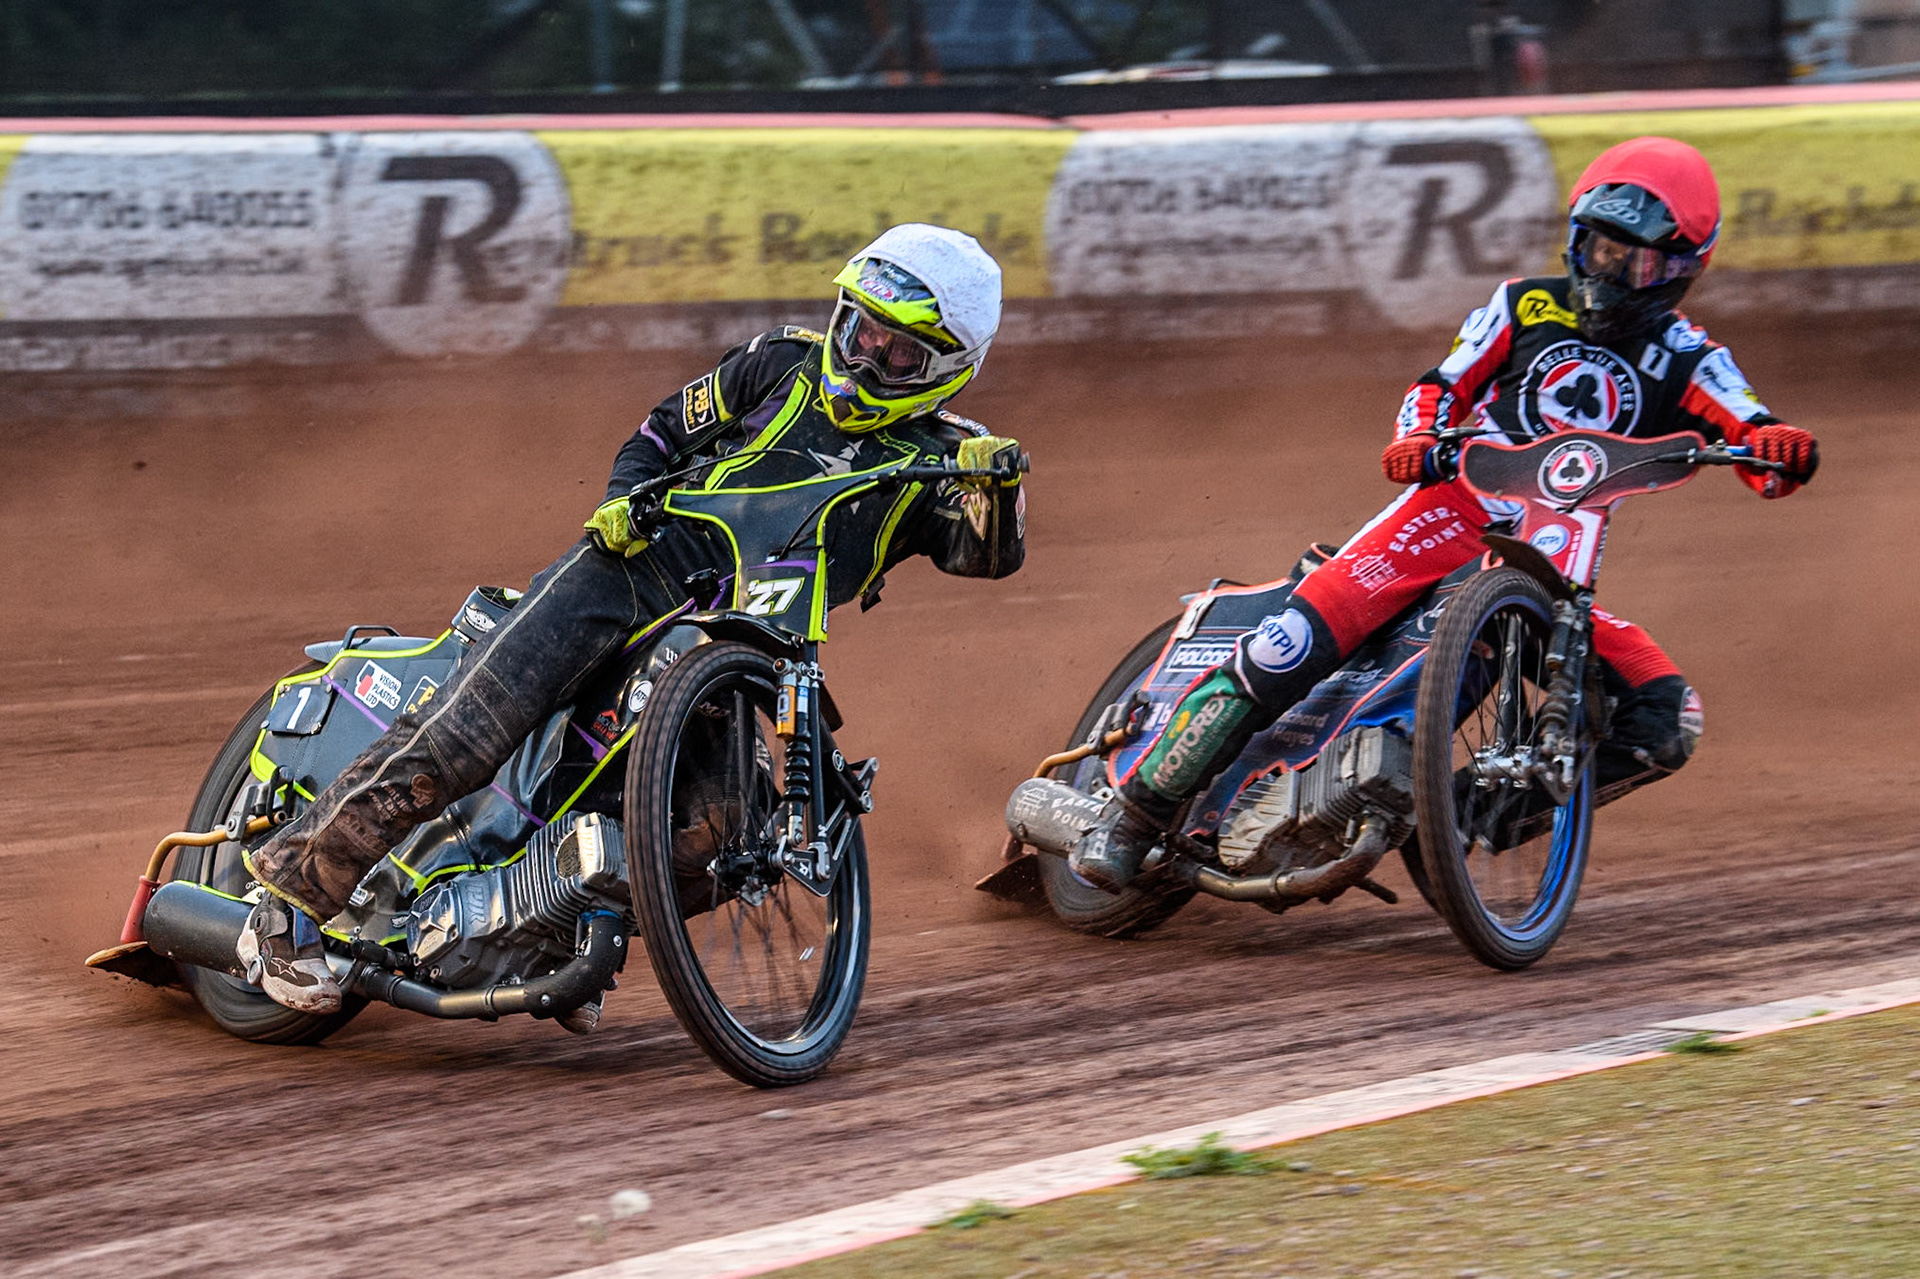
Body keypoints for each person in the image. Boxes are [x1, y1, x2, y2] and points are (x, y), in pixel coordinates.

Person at [238, 223, 1029, 1014]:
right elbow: (662, 430)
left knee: (722, 839)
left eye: (896, 354)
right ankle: (287, 907)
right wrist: (622, 497)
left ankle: (557, 924)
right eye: (860, 332)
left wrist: (1000, 488)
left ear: (948, 368)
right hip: (629, 572)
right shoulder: (779, 361)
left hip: (744, 647)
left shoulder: (943, 458)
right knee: (465, 735)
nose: (864, 360)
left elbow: (988, 556)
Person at [1071, 135, 1820, 892]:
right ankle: (1131, 814)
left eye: (1639, 262)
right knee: (1288, 644)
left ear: (1685, 270)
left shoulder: (1691, 355)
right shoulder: (1520, 303)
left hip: (1550, 573)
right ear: (1574, 239)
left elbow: (1754, 435)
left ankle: (1454, 822)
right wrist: (1417, 438)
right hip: (1446, 513)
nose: (1611, 273)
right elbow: (1441, 383)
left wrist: (1779, 449)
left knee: (1668, 719)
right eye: (1598, 249)